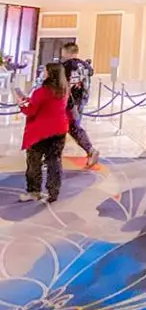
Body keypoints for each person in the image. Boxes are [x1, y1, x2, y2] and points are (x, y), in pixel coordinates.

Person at [18, 63, 69, 203]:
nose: (43, 73)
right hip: (59, 129)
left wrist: (21, 105)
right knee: (54, 161)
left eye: (45, 71)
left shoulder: (41, 92)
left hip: (41, 132)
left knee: (34, 161)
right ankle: (54, 191)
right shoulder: (65, 90)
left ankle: (34, 191)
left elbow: (31, 111)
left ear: (49, 73)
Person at [60, 42, 99, 168]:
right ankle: (90, 150)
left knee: (62, 127)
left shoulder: (66, 66)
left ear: (66, 52)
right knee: (73, 127)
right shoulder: (86, 66)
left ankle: (53, 157)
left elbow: (64, 85)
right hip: (81, 100)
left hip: (68, 102)